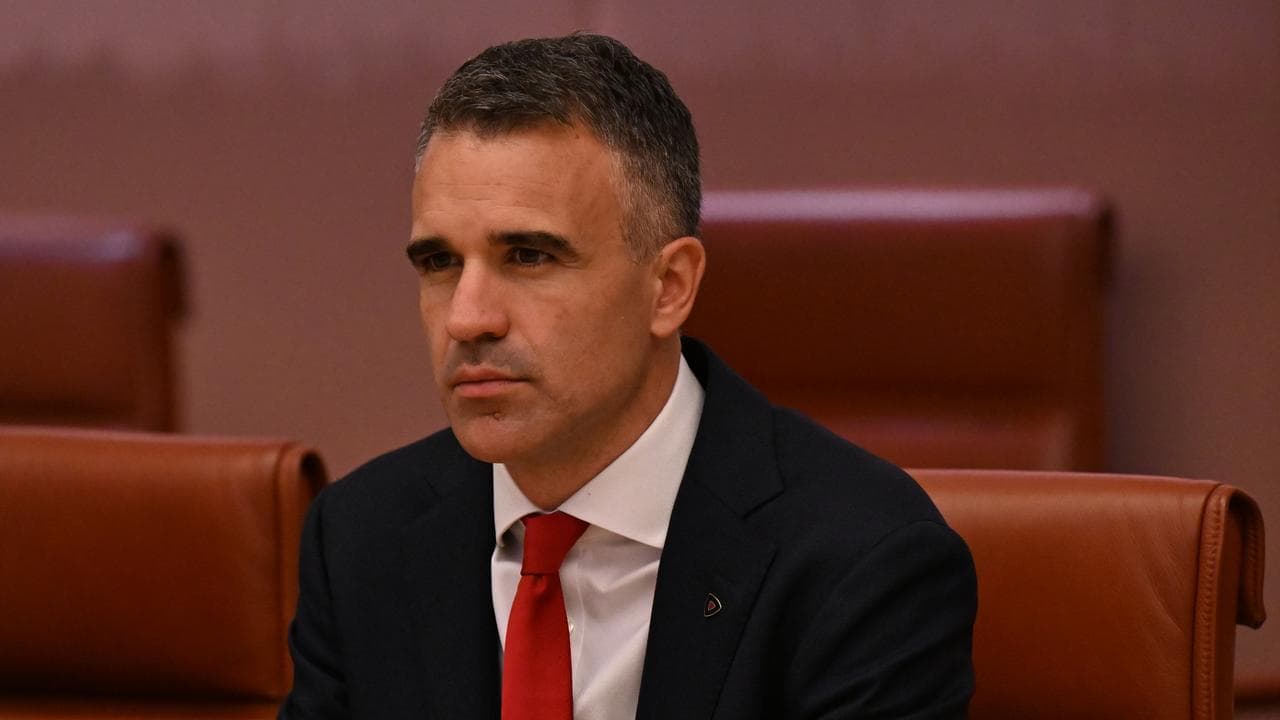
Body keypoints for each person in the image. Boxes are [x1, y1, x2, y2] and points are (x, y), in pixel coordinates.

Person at [280, 33, 976, 720]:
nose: (467, 318)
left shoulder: (861, 562)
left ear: (669, 287)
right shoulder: (361, 539)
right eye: (439, 263)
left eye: (528, 256)